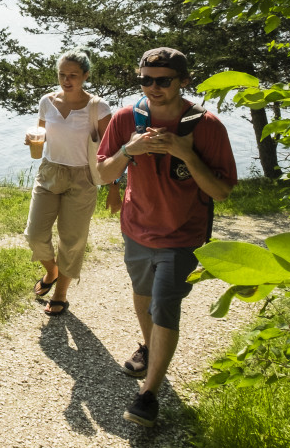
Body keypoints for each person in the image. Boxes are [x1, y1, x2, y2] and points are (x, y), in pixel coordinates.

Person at [96, 47, 237, 427]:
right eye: (145, 79)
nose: (153, 87)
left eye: (163, 81)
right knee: (143, 297)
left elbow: (221, 192)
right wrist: (130, 149)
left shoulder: (207, 126)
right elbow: (101, 175)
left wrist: (185, 154)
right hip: (136, 229)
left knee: (164, 306)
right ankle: (149, 347)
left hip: (183, 235)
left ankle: (149, 395)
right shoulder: (127, 118)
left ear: (184, 81)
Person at [24, 51, 112, 316]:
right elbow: (43, 133)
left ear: (86, 76)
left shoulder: (98, 107)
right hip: (49, 171)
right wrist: (33, 140)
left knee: (72, 240)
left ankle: (61, 293)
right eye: (62, 74)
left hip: (82, 176)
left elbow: (110, 148)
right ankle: (51, 271)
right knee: (35, 235)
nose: (66, 80)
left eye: (73, 75)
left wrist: (115, 187)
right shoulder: (47, 102)